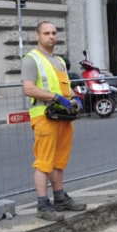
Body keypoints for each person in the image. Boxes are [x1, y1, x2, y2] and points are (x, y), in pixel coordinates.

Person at [21, 22, 87, 221]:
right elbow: (29, 89)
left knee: (58, 161)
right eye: (46, 33)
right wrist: (56, 98)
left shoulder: (58, 60)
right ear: (37, 36)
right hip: (45, 116)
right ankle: (42, 204)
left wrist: (75, 98)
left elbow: (65, 88)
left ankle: (60, 199)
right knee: (44, 162)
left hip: (63, 117)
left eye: (54, 33)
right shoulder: (31, 59)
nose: (51, 36)